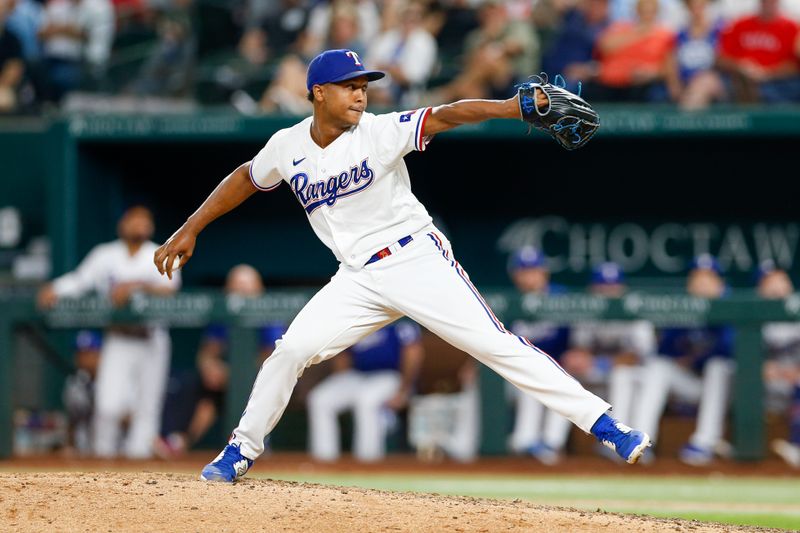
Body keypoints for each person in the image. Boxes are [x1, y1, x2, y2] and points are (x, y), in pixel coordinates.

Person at [153, 47, 651, 482]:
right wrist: (191, 226)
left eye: (364, 85)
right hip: (356, 279)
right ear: (318, 93)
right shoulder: (288, 145)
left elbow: (446, 115)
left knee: (494, 345)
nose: (361, 94)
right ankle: (241, 449)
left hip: (414, 259)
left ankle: (607, 425)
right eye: (349, 87)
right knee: (290, 351)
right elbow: (246, 176)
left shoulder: (379, 132)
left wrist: (505, 108)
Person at [38, 205, 181, 458]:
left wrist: (135, 285)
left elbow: (171, 288)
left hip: (151, 338)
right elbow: (80, 280)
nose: (139, 224)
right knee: (108, 405)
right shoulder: (105, 255)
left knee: (147, 408)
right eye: (133, 219)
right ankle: (102, 468)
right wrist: (56, 289)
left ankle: (139, 467)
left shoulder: (160, 252)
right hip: (118, 338)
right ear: (122, 224)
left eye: (144, 220)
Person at [156, 264, 284, 458]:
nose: (241, 292)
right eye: (236, 287)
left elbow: (270, 359)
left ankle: (258, 444)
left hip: (260, 381)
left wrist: (235, 373)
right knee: (198, 389)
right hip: (224, 383)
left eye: (246, 287)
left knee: (253, 388)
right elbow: (207, 352)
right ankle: (178, 441)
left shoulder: (268, 316)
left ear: (259, 290)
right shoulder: (224, 316)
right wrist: (210, 366)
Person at [631, 254, 735, 465]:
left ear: (720, 283)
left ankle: (704, 443)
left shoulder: (731, 303)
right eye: (696, 277)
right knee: (659, 367)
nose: (701, 283)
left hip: (731, 388)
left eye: (708, 277)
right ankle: (640, 442)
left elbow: (729, 348)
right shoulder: (685, 306)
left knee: (718, 367)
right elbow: (664, 349)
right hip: (695, 384)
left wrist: (695, 359)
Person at [560, 262, 656, 461]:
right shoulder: (588, 310)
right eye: (602, 286)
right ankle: (551, 443)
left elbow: (636, 356)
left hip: (637, 377)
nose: (607, 292)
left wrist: (601, 362)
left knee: (623, 375)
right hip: (601, 374)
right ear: (592, 289)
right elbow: (581, 350)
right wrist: (582, 359)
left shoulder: (634, 309)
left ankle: (626, 439)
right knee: (566, 375)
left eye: (613, 286)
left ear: (622, 288)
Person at [307, 320, 424, 462]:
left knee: (366, 400)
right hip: (358, 375)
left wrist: (404, 390)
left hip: (390, 376)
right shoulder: (357, 318)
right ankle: (324, 460)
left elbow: (413, 353)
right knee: (320, 399)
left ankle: (368, 462)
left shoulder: (401, 320)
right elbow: (343, 355)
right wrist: (342, 383)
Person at [504, 247, 571, 465]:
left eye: (533, 270)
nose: (528, 277)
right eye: (523, 271)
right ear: (515, 276)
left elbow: (575, 343)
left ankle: (550, 443)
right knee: (529, 374)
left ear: (544, 272)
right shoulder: (509, 303)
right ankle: (526, 441)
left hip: (559, 368)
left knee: (558, 378)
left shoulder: (561, 298)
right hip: (520, 373)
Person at [756, 260, 800, 468]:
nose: (777, 285)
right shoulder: (753, 313)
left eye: (781, 279)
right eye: (769, 281)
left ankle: (797, 445)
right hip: (765, 387)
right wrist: (758, 367)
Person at [588, 0, 675, 102]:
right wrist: (639, 32)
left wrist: (652, 73)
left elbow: (669, 67)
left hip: (640, 85)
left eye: (650, 11)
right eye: (643, 11)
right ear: (637, 11)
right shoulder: (621, 27)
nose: (647, 14)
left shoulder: (664, 35)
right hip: (610, 82)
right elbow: (604, 46)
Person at [716, 0, 800, 104]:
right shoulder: (739, 24)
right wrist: (741, 66)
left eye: (772, 2)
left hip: (777, 83)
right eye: (765, 2)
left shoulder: (792, 27)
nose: (768, 4)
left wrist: (766, 73)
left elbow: (795, 66)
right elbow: (720, 58)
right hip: (738, 78)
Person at [664, 0, 725, 110]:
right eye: (693, 7)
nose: (697, 11)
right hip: (687, 81)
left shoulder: (718, 30)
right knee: (697, 89)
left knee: (704, 81)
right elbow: (671, 61)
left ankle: (685, 119)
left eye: (700, 6)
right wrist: (674, 84)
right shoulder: (680, 34)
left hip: (713, 80)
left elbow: (724, 58)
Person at [62, 329, 102, 455]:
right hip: (85, 449)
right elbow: (72, 421)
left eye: (88, 353)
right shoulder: (75, 383)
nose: (82, 358)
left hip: (119, 447)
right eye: (79, 353)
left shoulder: (116, 380)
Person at [0, 0, 24, 113]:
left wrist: (2, 86)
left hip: (4, 87)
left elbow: (14, 70)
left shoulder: (12, 40)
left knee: (4, 99)